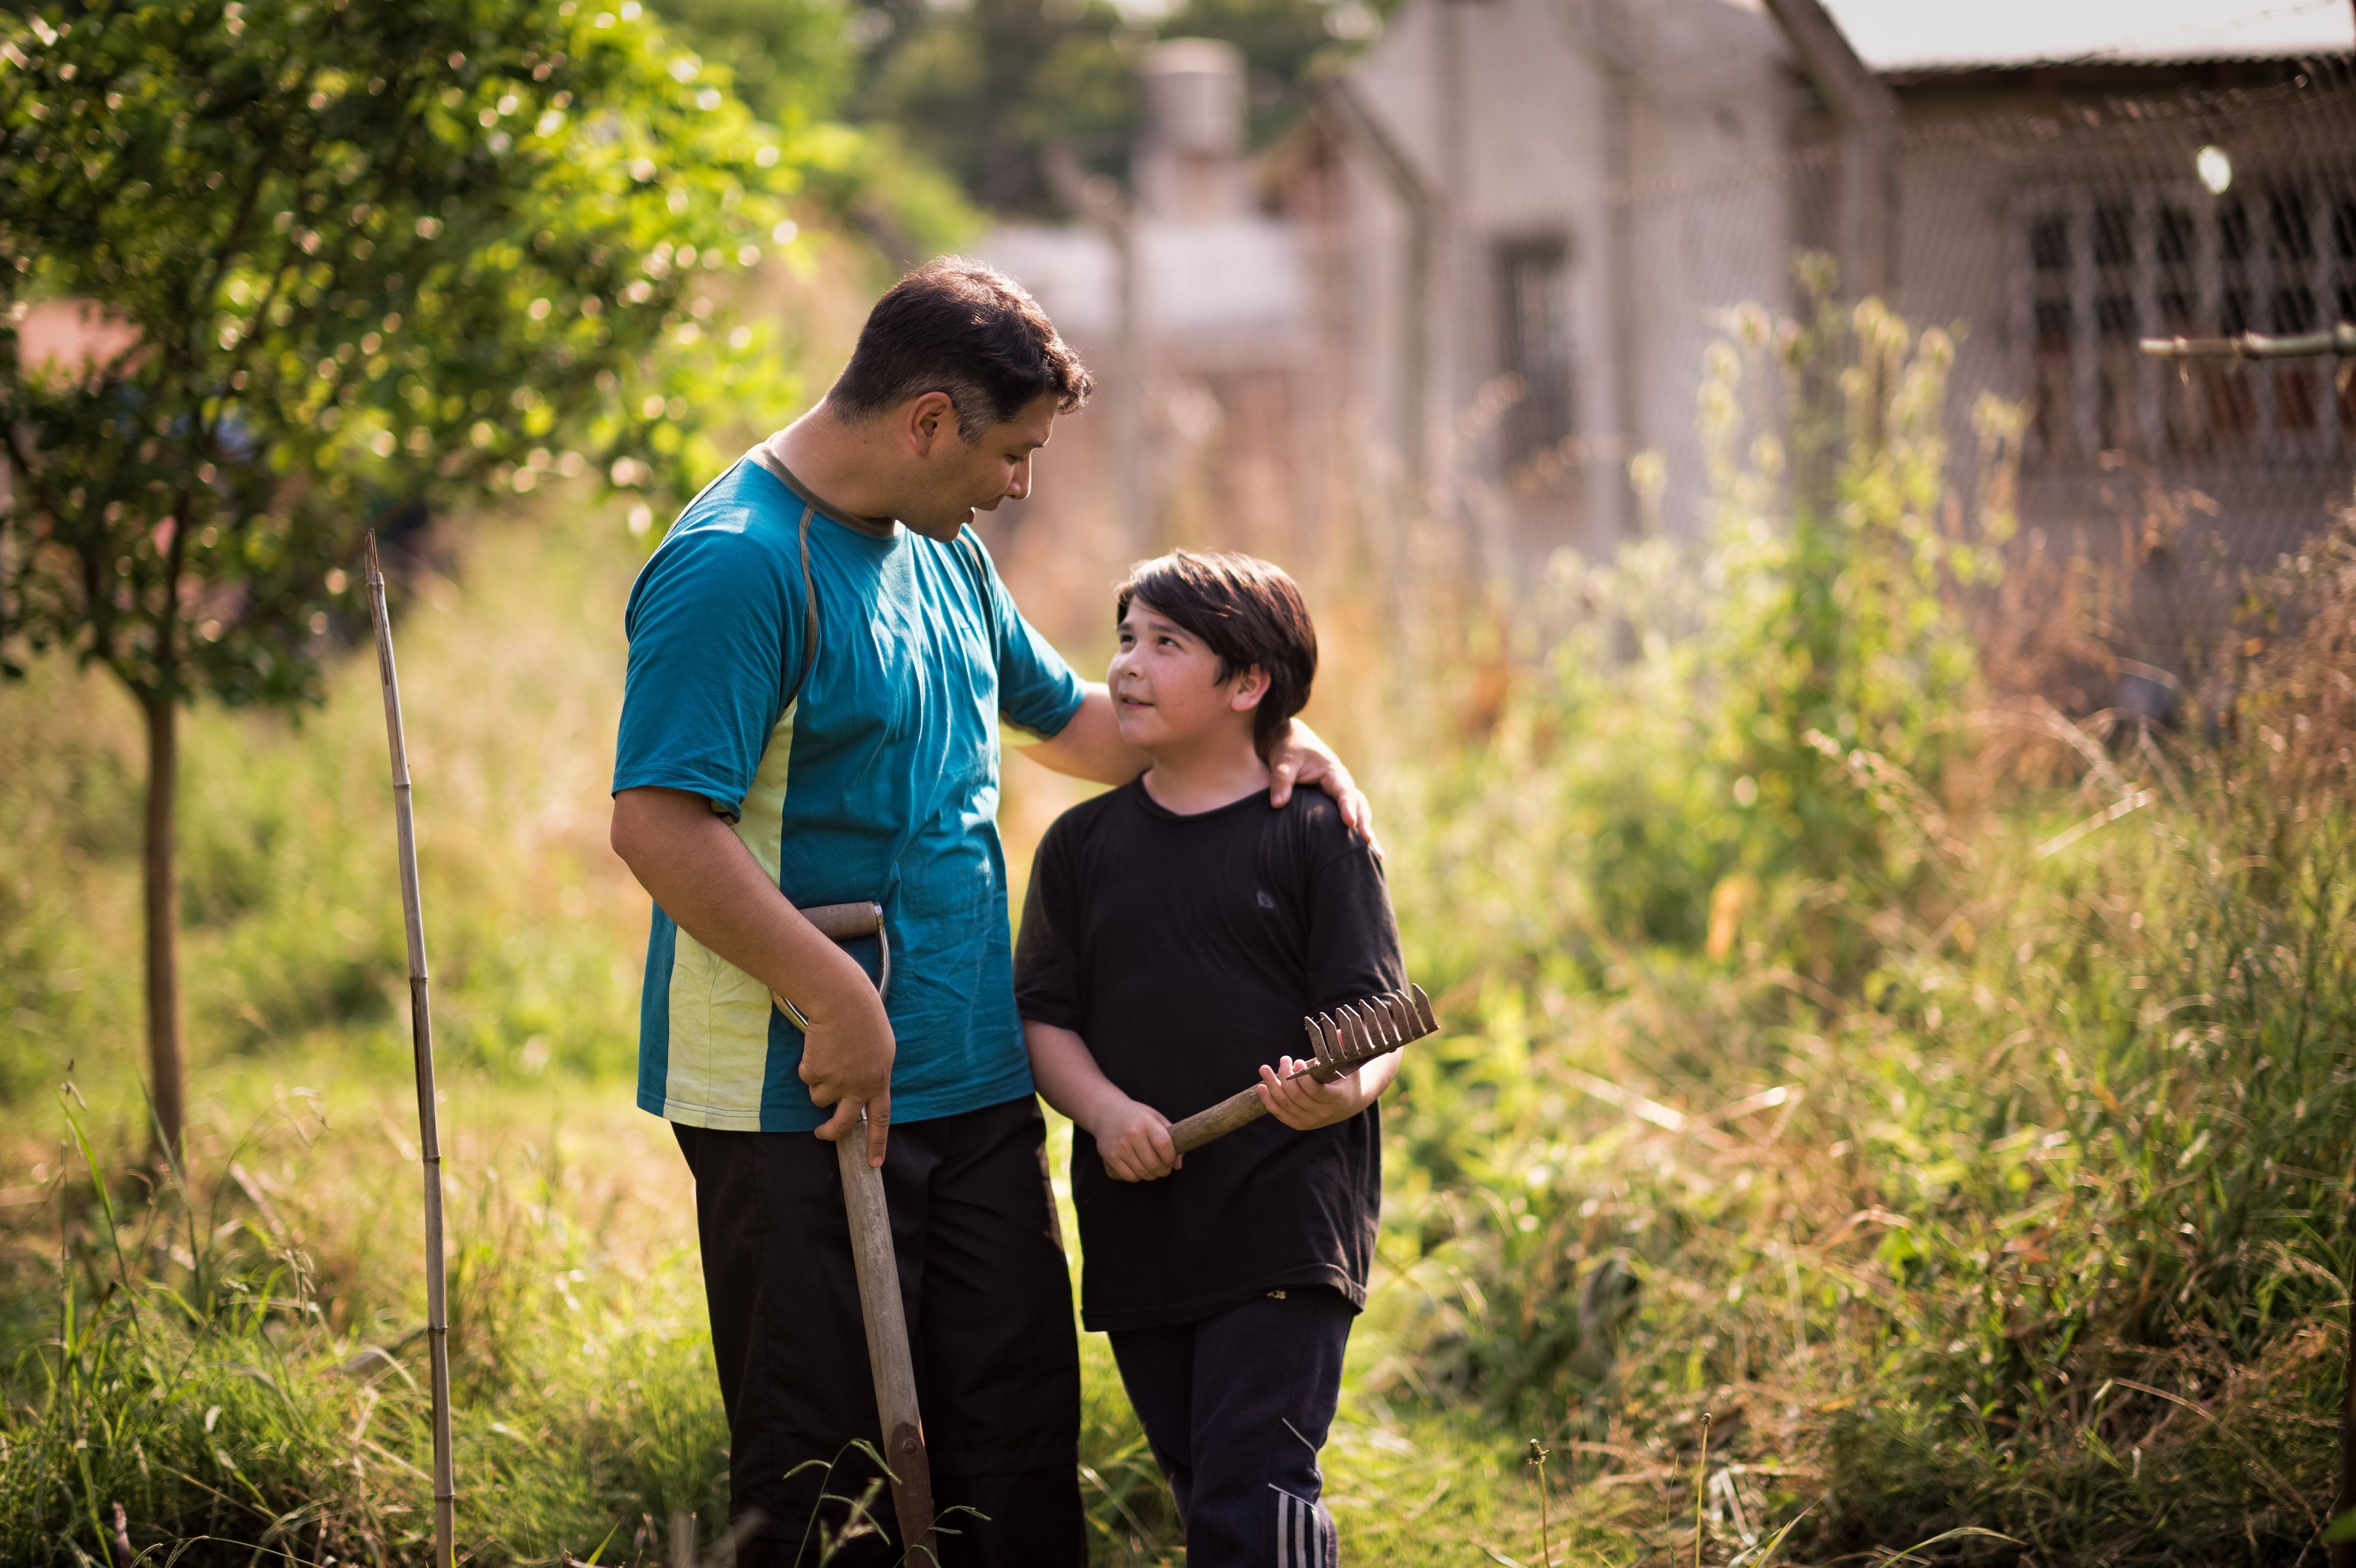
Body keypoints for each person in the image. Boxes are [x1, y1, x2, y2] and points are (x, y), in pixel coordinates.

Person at [606, 259, 1372, 1567]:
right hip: (803, 1097)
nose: (1020, 485)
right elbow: (661, 825)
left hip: (970, 1075)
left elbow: (1076, 719)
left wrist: (1278, 749)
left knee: (1014, 1432)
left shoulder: (943, 552)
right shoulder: (739, 567)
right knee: (827, 1467)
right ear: (928, 423)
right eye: (1013, 452)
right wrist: (836, 998)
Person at [1014, 550, 1403, 1568]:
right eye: (1127, 638)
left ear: (1247, 684)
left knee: (1253, 1488)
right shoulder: (1082, 849)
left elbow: (1375, 1021)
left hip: (1282, 1216)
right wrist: (1102, 1115)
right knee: (1201, 1481)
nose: (1129, 666)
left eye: (1167, 644)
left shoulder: (1318, 835)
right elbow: (1044, 1020)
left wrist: (1343, 1091)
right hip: (1143, 1217)